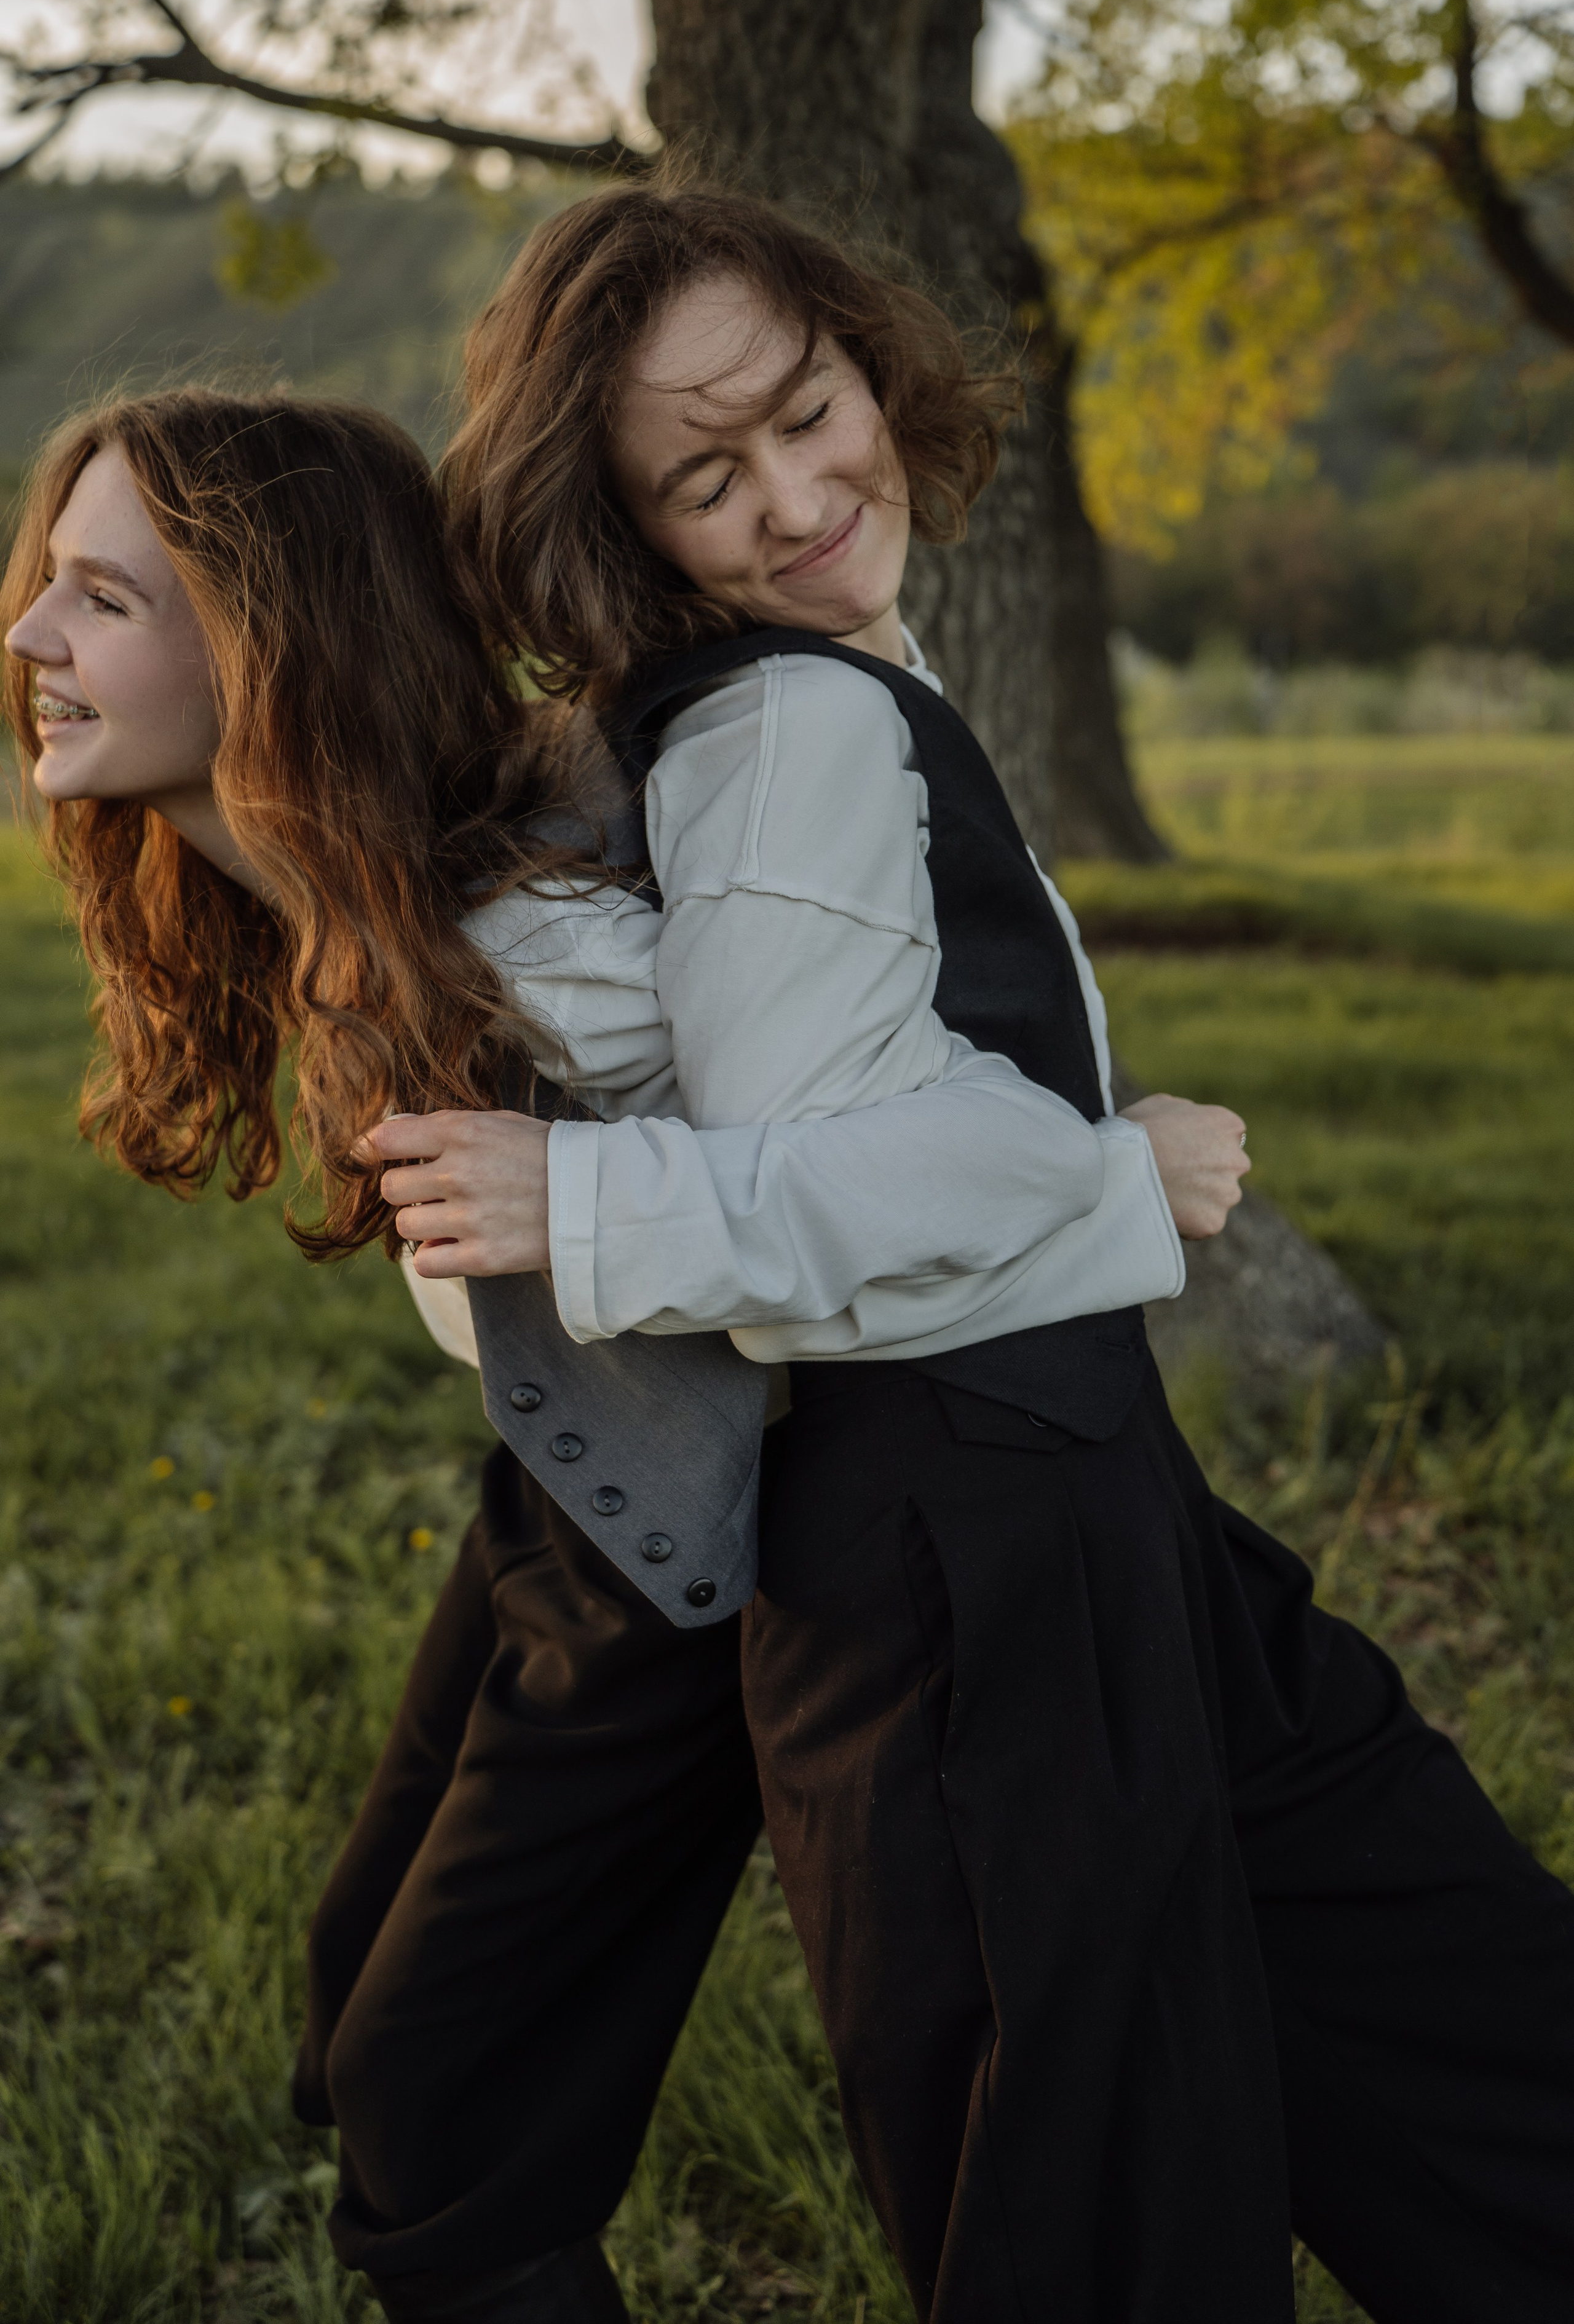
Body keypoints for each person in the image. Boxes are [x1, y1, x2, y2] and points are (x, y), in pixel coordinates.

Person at [363, 179, 1574, 2324]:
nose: (801, 499)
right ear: (628, 533)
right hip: (952, 1567)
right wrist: (1109, 1179)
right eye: (704, 480)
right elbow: (806, 1173)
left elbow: (751, 1094)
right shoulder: (787, 727)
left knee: (1445, 2005)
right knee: (1093, 2197)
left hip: (1075, 1507)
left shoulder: (809, 694)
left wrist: (1084, 1163)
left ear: (866, 355)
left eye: (812, 410)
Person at [1, 385, 1242, 2322]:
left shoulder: (530, 941)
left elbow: (906, 1149)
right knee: (368, 2023)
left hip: (735, 1539)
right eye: (44, 587)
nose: (31, 641)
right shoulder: (333, 894)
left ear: (271, 636)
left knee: (442, 2117)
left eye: (100, 598)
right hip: (576, 1486)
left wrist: (1113, 1177)